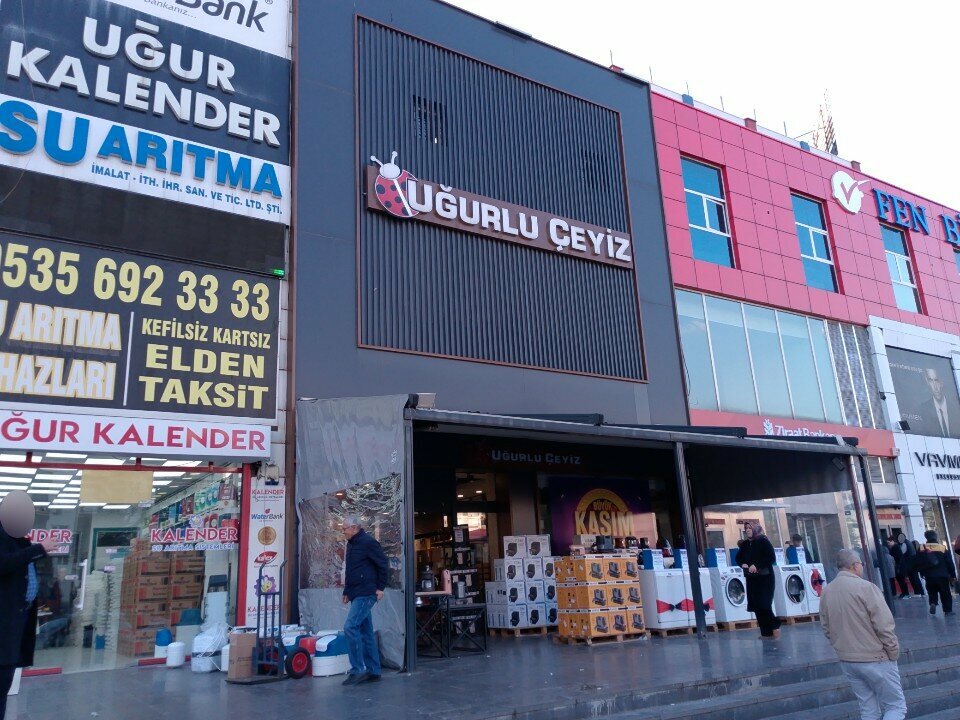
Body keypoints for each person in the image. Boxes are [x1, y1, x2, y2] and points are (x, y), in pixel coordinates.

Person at [820, 549, 906, 720]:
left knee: (868, 709)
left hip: (848, 659)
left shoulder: (827, 591)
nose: (862, 567)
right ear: (854, 565)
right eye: (861, 563)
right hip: (876, 657)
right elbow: (884, 625)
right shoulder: (866, 587)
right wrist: (893, 652)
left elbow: (826, 627)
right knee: (895, 706)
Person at [0, 492, 59, 720]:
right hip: (4, 627)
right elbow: (4, 563)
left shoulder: (17, 539)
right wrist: (39, 549)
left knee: (4, 684)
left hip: (15, 625)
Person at [341, 515, 388, 686]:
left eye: (345, 528)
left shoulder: (368, 542)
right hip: (356, 593)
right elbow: (350, 570)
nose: (343, 531)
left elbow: (383, 563)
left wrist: (380, 588)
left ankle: (357, 670)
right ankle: (374, 670)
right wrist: (347, 591)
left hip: (367, 593)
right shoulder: (351, 545)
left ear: (354, 528)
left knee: (350, 627)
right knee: (366, 632)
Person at [738, 521, 781, 640]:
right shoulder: (746, 544)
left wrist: (757, 565)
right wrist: (743, 564)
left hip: (765, 578)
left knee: (764, 604)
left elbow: (770, 557)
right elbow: (738, 557)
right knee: (756, 605)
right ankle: (765, 633)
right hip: (752, 579)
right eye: (746, 528)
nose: (747, 530)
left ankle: (775, 625)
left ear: (755, 528)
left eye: (749, 528)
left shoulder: (763, 541)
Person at [914, 531, 956, 616]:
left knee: (932, 591)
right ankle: (948, 610)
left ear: (926, 537)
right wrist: (953, 575)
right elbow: (949, 563)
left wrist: (922, 573)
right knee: (945, 593)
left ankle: (933, 602)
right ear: (935, 537)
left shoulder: (922, 548)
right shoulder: (942, 548)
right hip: (942, 575)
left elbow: (918, 562)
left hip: (929, 576)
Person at [917, 368, 960, 437]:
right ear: (928, 383)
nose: (935, 386)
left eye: (936, 380)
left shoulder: (956, 409)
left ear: (941, 382)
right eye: (931, 381)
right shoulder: (923, 410)